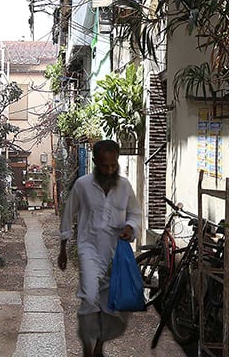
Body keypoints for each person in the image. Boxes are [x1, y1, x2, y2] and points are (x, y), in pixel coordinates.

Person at [58, 140, 141, 357]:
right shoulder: (83, 185)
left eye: (113, 165)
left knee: (110, 305)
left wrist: (131, 227)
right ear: (95, 162)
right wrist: (63, 247)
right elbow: (68, 214)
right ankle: (87, 346)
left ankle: (99, 347)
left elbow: (135, 214)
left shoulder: (125, 186)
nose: (110, 170)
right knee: (90, 297)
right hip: (89, 249)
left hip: (116, 253)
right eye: (105, 166)